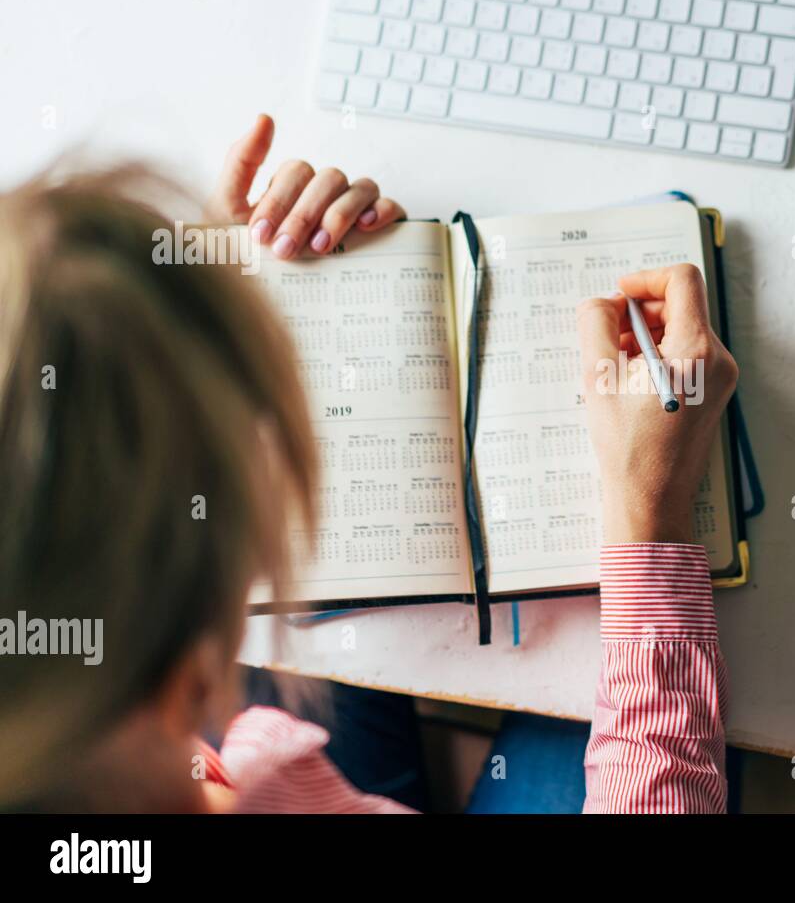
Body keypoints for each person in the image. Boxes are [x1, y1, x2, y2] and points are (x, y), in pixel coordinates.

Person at [0, 115, 737, 813]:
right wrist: (649, 514)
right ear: (189, 665)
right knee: (637, 688)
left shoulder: (78, 729)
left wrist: (247, 288)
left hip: (276, 773)